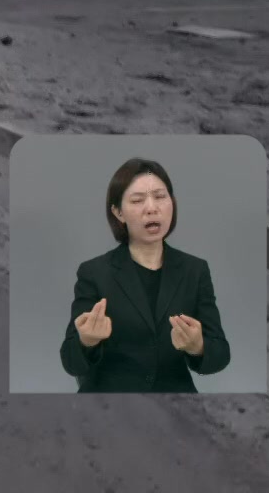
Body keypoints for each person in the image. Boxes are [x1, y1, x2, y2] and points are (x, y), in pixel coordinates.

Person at [60, 158, 230, 392]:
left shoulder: (195, 270)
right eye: (138, 200)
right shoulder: (94, 273)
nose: (152, 208)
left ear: (173, 203)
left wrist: (198, 346)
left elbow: (220, 354)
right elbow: (70, 361)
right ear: (118, 212)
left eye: (160, 197)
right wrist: (86, 342)